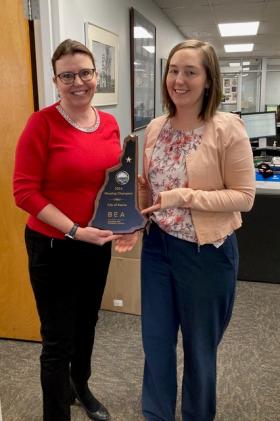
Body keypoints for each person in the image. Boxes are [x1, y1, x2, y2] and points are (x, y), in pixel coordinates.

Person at [138, 39, 256, 421]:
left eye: (191, 71)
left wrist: (185, 197)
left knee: (199, 349)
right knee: (155, 342)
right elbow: (148, 189)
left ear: (208, 80)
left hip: (206, 253)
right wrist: (130, 220)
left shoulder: (228, 129)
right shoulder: (156, 128)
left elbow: (244, 196)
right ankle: (156, 415)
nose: (179, 79)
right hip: (157, 249)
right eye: (174, 70)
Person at [13, 39, 122, 421]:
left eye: (86, 73)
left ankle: (81, 387)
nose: (79, 82)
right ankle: (55, 414)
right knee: (58, 338)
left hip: (96, 243)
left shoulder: (108, 123)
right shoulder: (40, 123)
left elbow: (114, 183)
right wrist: (75, 230)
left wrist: (123, 221)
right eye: (68, 75)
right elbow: (23, 191)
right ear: (56, 80)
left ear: (96, 75)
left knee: (88, 322)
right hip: (53, 245)